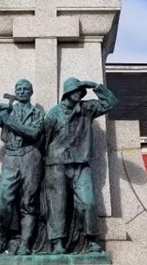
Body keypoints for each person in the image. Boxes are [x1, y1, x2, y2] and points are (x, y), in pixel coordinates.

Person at [43, 77, 117, 254]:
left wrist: (95, 86)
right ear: (67, 93)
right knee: (57, 204)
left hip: (80, 163)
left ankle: (92, 240)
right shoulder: (54, 114)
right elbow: (44, 140)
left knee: (88, 202)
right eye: (75, 90)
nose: (78, 93)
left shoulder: (87, 108)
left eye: (80, 91)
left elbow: (111, 103)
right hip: (56, 163)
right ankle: (57, 242)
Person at [0, 80, 44, 255]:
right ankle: (1, 239)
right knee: (1, 204)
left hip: (30, 156)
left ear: (31, 92)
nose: (22, 92)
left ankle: (25, 244)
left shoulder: (37, 112)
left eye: (25, 89)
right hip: (11, 157)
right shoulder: (8, 110)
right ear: (15, 92)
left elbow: (33, 133)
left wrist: (9, 121)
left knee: (28, 203)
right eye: (19, 89)